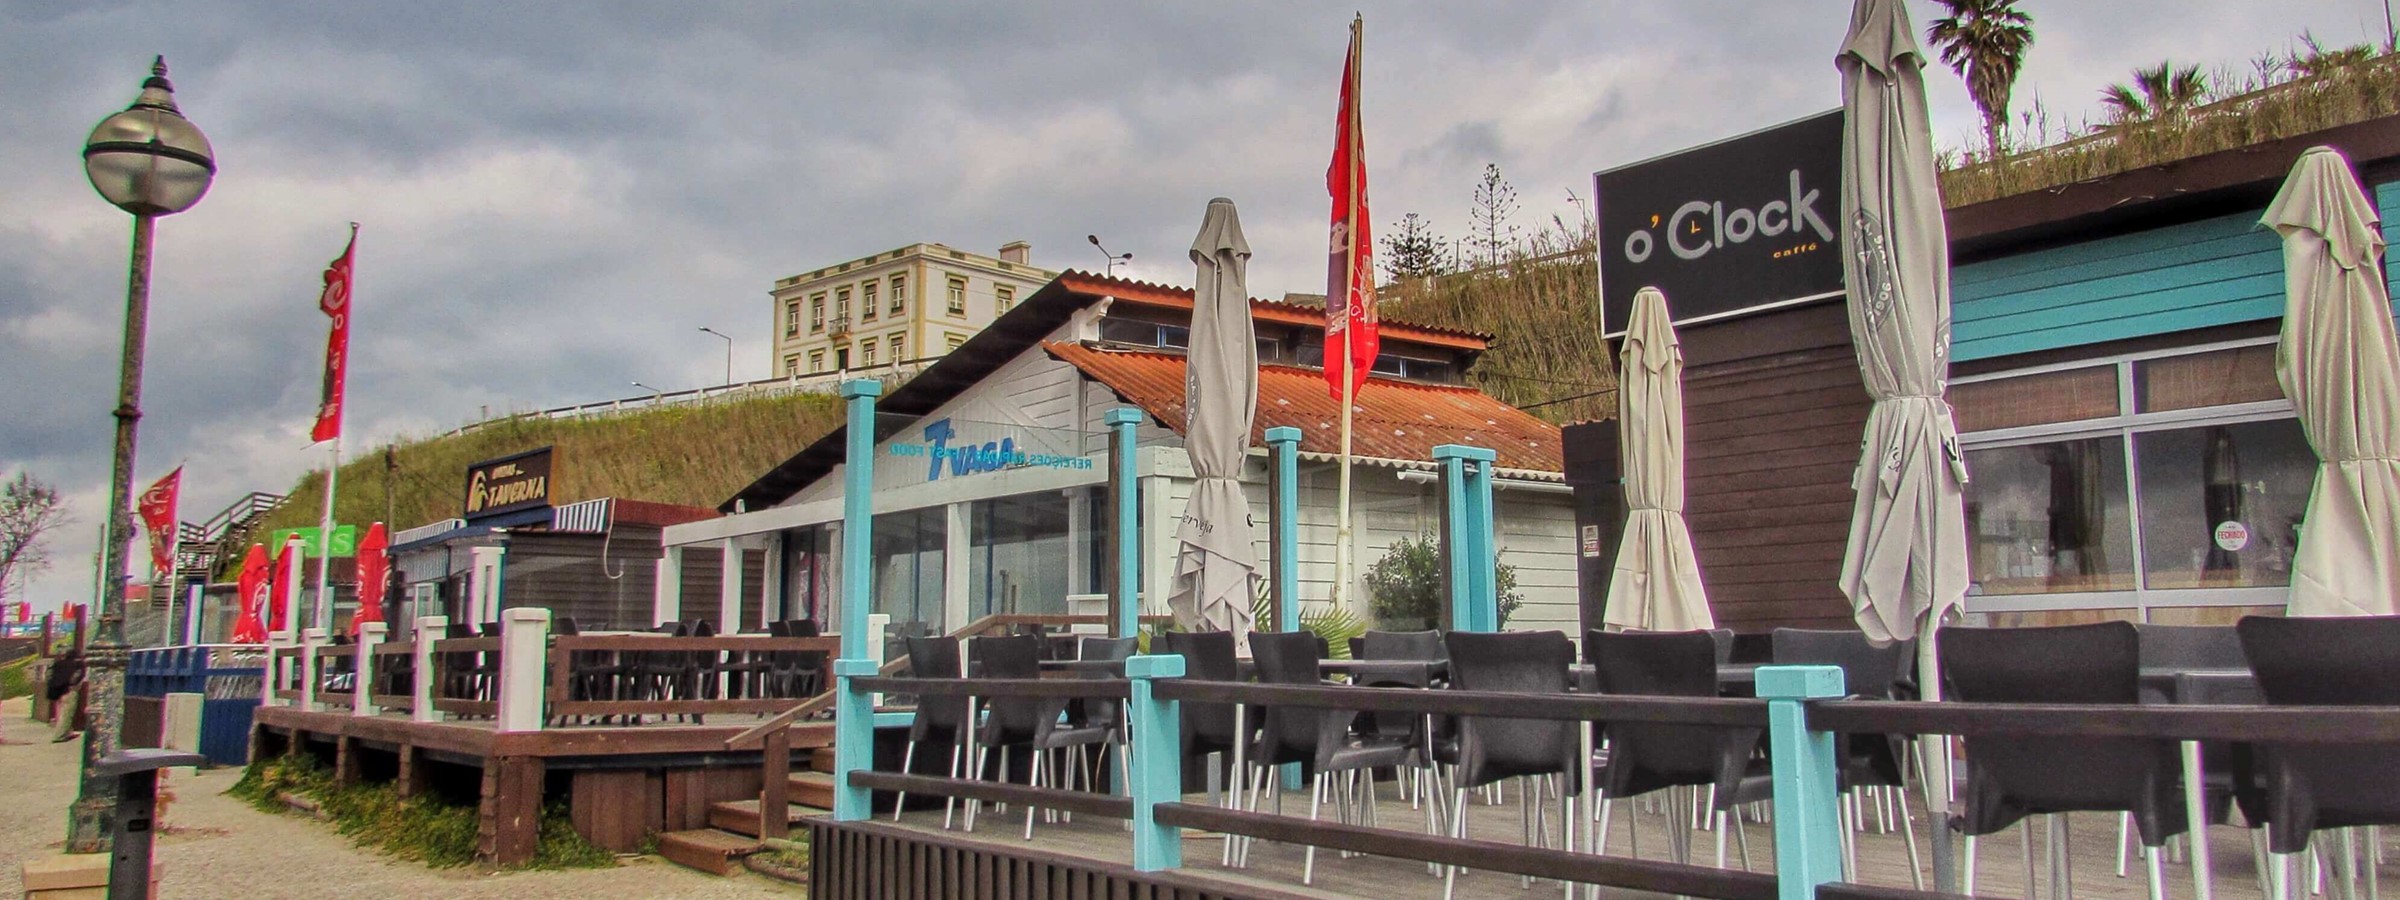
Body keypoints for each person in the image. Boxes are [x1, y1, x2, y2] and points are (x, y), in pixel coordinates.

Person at [47, 648, 84, 744]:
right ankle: (59, 736)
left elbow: (50, 676)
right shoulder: (78, 664)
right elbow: (76, 676)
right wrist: (73, 685)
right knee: (67, 714)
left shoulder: (58, 663)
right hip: (69, 691)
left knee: (60, 713)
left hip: (58, 692)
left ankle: (68, 732)